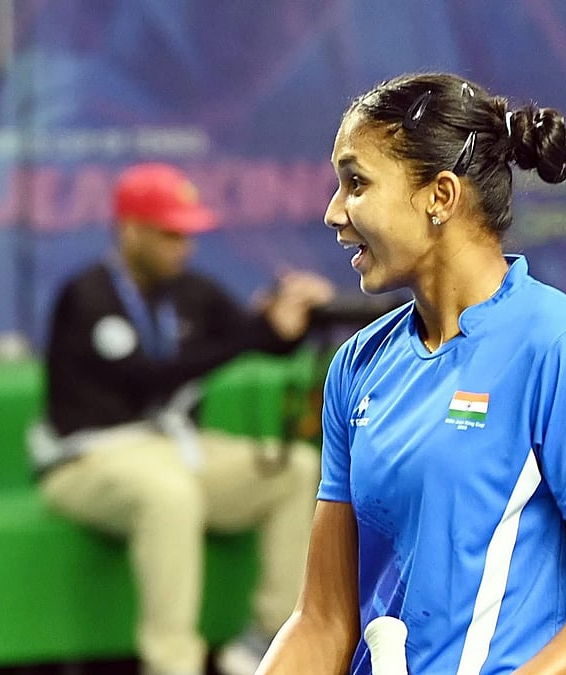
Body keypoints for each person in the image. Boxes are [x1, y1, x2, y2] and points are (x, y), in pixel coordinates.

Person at [257, 73, 566, 674]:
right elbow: (323, 620)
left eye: (356, 183)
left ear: (440, 196)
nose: (334, 212)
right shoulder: (357, 365)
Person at [29, 162, 336, 675]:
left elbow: (266, 341)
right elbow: (147, 377)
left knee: (295, 470)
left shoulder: (192, 289)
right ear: (131, 231)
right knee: (170, 495)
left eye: (187, 234)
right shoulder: (87, 295)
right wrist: (254, 333)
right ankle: (173, 664)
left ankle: (267, 641)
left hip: (175, 448)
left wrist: (293, 314)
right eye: (170, 235)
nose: (183, 247)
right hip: (87, 457)